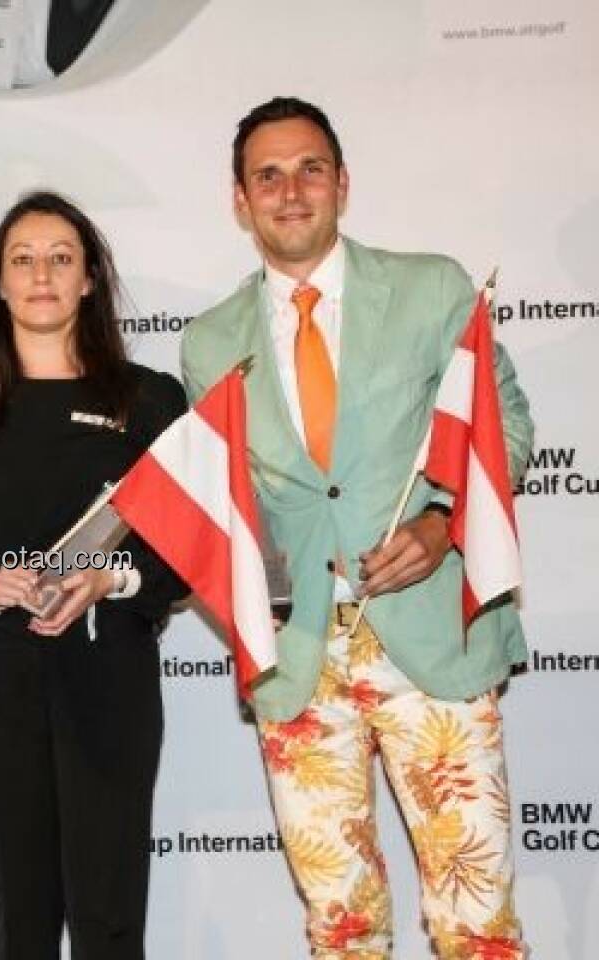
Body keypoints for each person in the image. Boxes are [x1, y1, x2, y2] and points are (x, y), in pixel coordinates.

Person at [181, 97, 532, 958]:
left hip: (432, 643)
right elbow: (222, 509)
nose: (289, 191)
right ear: (240, 200)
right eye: (267, 175)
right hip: (299, 662)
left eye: (308, 169)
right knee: (340, 929)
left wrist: (446, 522)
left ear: (342, 182)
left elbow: (507, 426)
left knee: (475, 922)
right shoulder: (207, 343)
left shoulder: (430, 287)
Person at [0, 191, 189, 959]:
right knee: (21, 916)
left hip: (109, 681)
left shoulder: (150, 402)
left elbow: (182, 557)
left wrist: (113, 582)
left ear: (89, 280)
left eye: (61, 258)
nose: (42, 274)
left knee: (109, 915)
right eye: (23, 259)